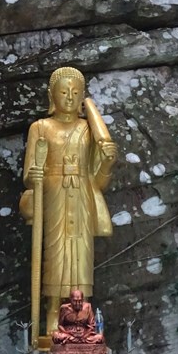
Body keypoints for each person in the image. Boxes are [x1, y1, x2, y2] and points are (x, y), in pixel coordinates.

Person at [21, 67, 117, 336]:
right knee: (55, 254)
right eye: (63, 92)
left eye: (76, 93)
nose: (70, 97)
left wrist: (107, 162)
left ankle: (83, 316)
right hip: (53, 196)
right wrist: (36, 173)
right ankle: (53, 313)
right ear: (52, 95)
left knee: (81, 255)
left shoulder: (88, 129)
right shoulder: (40, 127)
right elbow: (28, 176)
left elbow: (98, 181)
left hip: (82, 197)